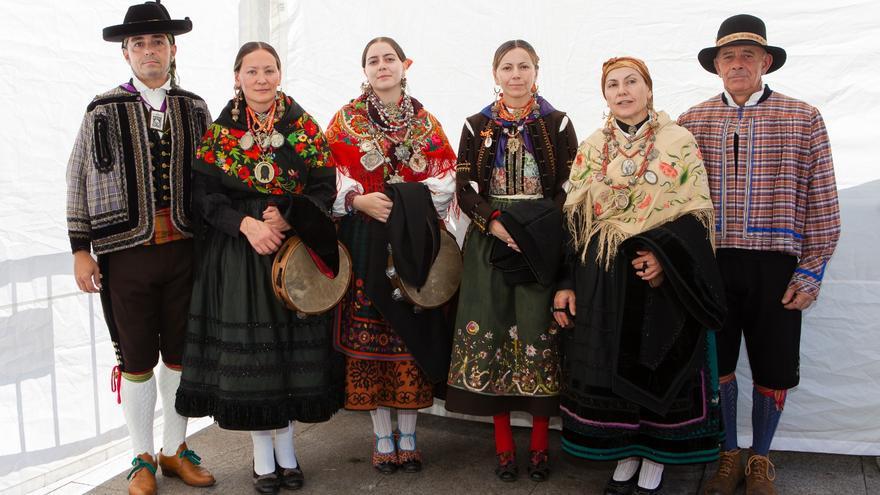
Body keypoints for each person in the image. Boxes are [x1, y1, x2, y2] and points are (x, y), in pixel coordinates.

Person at [678, 14, 841, 495]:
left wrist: (810, 273)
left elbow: (824, 204)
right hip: (715, 264)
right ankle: (728, 455)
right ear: (717, 66)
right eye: (728, 56)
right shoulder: (692, 121)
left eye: (748, 54)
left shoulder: (803, 116)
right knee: (718, 363)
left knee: (774, 365)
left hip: (777, 266)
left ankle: (761, 459)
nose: (738, 63)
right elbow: (677, 203)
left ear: (766, 61)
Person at [174, 42, 344, 495]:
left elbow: (324, 186)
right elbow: (204, 197)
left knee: (286, 353)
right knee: (257, 355)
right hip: (240, 255)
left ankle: (287, 454)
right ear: (237, 77)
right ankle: (262, 460)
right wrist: (246, 224)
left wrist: (292, 216)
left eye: (269, 70)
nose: (262, 79)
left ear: (279, 73)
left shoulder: (302, 124)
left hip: (291, 254)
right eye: (252, 71)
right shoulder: (222, 129)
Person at [553, 56, 726, 495]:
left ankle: (654, 462)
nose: (623, 91)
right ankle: (626, 458)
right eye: (613, 84)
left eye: (632, 82)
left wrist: (663, 258)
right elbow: (574, 221)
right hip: (605, 279)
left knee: (654, 368)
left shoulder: (677, 141)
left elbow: (697, 214)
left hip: (657, 281)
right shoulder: (592, 146)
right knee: (615, 379)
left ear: (649, 89)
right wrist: (567, 283)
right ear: (605, 94)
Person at [66, 2, 214, 494]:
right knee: (134, 360)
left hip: (185, 250)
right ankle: (141, 457)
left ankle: (174, 451)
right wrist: (80, 248)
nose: (149, 52)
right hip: (125, 254)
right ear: (126, 54)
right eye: (139, 45)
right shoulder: (102, 109)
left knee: (179, 356)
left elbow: (214, 177)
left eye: (158, 43)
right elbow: (78, 178)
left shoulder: (193, 106)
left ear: (173, 49)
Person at [445, 39, 578, 483]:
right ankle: (504, 448)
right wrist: (494, 225)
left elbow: (567, 187)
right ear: (495, 73)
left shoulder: (558, 124)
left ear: (536, 71)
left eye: (524, 66)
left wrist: (535, 231)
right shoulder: (474, 123)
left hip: (540, 240)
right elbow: (463, 189)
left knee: (537, 327)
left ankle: (539, 446)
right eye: (507, 67)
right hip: (490, 240)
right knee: (494, 327)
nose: (516, 74)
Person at [325, 36, 458, 475]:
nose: (382, 66)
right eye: (373, 60)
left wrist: (405, 200)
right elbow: (328, 175)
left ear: (405, 65)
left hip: (413, 242)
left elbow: (447, 180)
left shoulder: (427, 123)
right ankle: (383, 436)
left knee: (412, 332)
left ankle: (410, 435)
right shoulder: (345, 121)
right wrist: (358, 201)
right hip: (365, 238)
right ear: (364, 70)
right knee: (369, 334)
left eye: (389, 59)